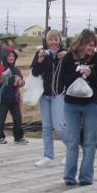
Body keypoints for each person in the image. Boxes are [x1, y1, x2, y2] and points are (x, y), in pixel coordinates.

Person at [60, 29, 97, 186]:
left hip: (91, 104)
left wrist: (90, 73)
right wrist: (78, 73)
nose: (92, 48)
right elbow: (63, 80)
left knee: (90, 140)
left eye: (94, 45)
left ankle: (86, 177)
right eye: (89, 45)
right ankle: (69, 176)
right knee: (72, 140)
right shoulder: (69, 57)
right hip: (71, 104)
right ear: (82, 43)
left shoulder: (96, 57)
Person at [31, 29, 67, 167]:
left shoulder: (64, 53)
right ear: (46, 41)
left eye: (55, 39)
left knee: (59, 126)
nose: (53, 42)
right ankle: (48, 156)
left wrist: (67, 57)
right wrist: (39, 60)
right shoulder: (42, 53)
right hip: (44, 94)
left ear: (59, 41)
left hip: (58, 93)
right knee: (46, 127)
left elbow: (73, 68)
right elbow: (35, 72)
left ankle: (72, 149)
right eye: (51, 40)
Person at [0, 50, 28, 145]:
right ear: (5, 57)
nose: (11, 58)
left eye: (13, 56)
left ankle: (18, 138)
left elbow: (22, 82)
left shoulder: (16, 69)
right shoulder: (1, 68)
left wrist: (20, 82)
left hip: (14, 99)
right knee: (1, 119)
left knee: (18, 118)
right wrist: (3, 78)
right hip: (3, 99)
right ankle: (0, 137)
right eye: (9, 56)